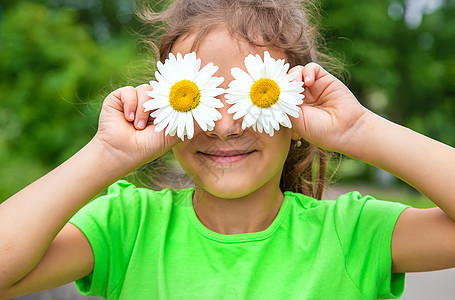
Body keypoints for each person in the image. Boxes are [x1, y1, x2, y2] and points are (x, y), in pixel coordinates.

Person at [1, 0, 455, 299]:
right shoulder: (127, 227)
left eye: (256, 96)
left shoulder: (353, 234)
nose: (223, 124)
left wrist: (358, 130)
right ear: (164, 108)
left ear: (297, 112)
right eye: (197, 95)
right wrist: (106, 154)